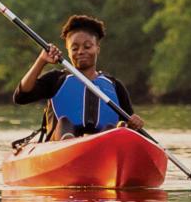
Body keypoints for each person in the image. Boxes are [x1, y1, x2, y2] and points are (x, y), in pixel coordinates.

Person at [13, 14, 143, 141]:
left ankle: (100, 147)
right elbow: (21, 96)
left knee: (111, 128)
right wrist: (42, 60)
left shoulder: (114, 86)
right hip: (60, 145)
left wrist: (134, 124)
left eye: (87, 46)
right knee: (64, 122)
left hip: (103, 147)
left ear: (97, 48)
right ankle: (68, 141)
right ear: (68, 51)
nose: (80, 51)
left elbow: (129, 124)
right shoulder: (56, 80)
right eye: (74, 48)